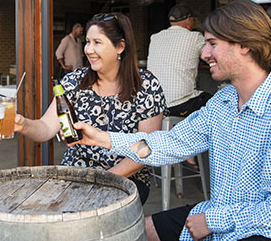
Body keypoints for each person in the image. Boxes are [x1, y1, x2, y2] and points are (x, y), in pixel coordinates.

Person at [71, 0, 271, 241]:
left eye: (212, 43)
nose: (204, 53)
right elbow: (172, 143)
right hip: (217, 213)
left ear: (244, 45)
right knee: (139, 231)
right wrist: (104, 138)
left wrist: (211, 221)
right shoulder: (224, 101)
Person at [16, 12, 166, 204]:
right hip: (76, 171)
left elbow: (146, 149)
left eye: (97, 42)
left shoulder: (146, 85)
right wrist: (22, 124)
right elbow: (45, 128)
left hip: (125, 177)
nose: (88, 49)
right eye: (87, 41)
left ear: (120, 46)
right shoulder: (75, 81)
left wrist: (100, 181)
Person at [147, 3, 211, 169]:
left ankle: (185, 150)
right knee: (215, 103)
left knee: (193, 101)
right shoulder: (195, 37)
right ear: (189, 20)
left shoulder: (155, 37)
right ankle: (191, 152)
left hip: (154, 107)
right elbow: (211, 56)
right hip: (178, 106)